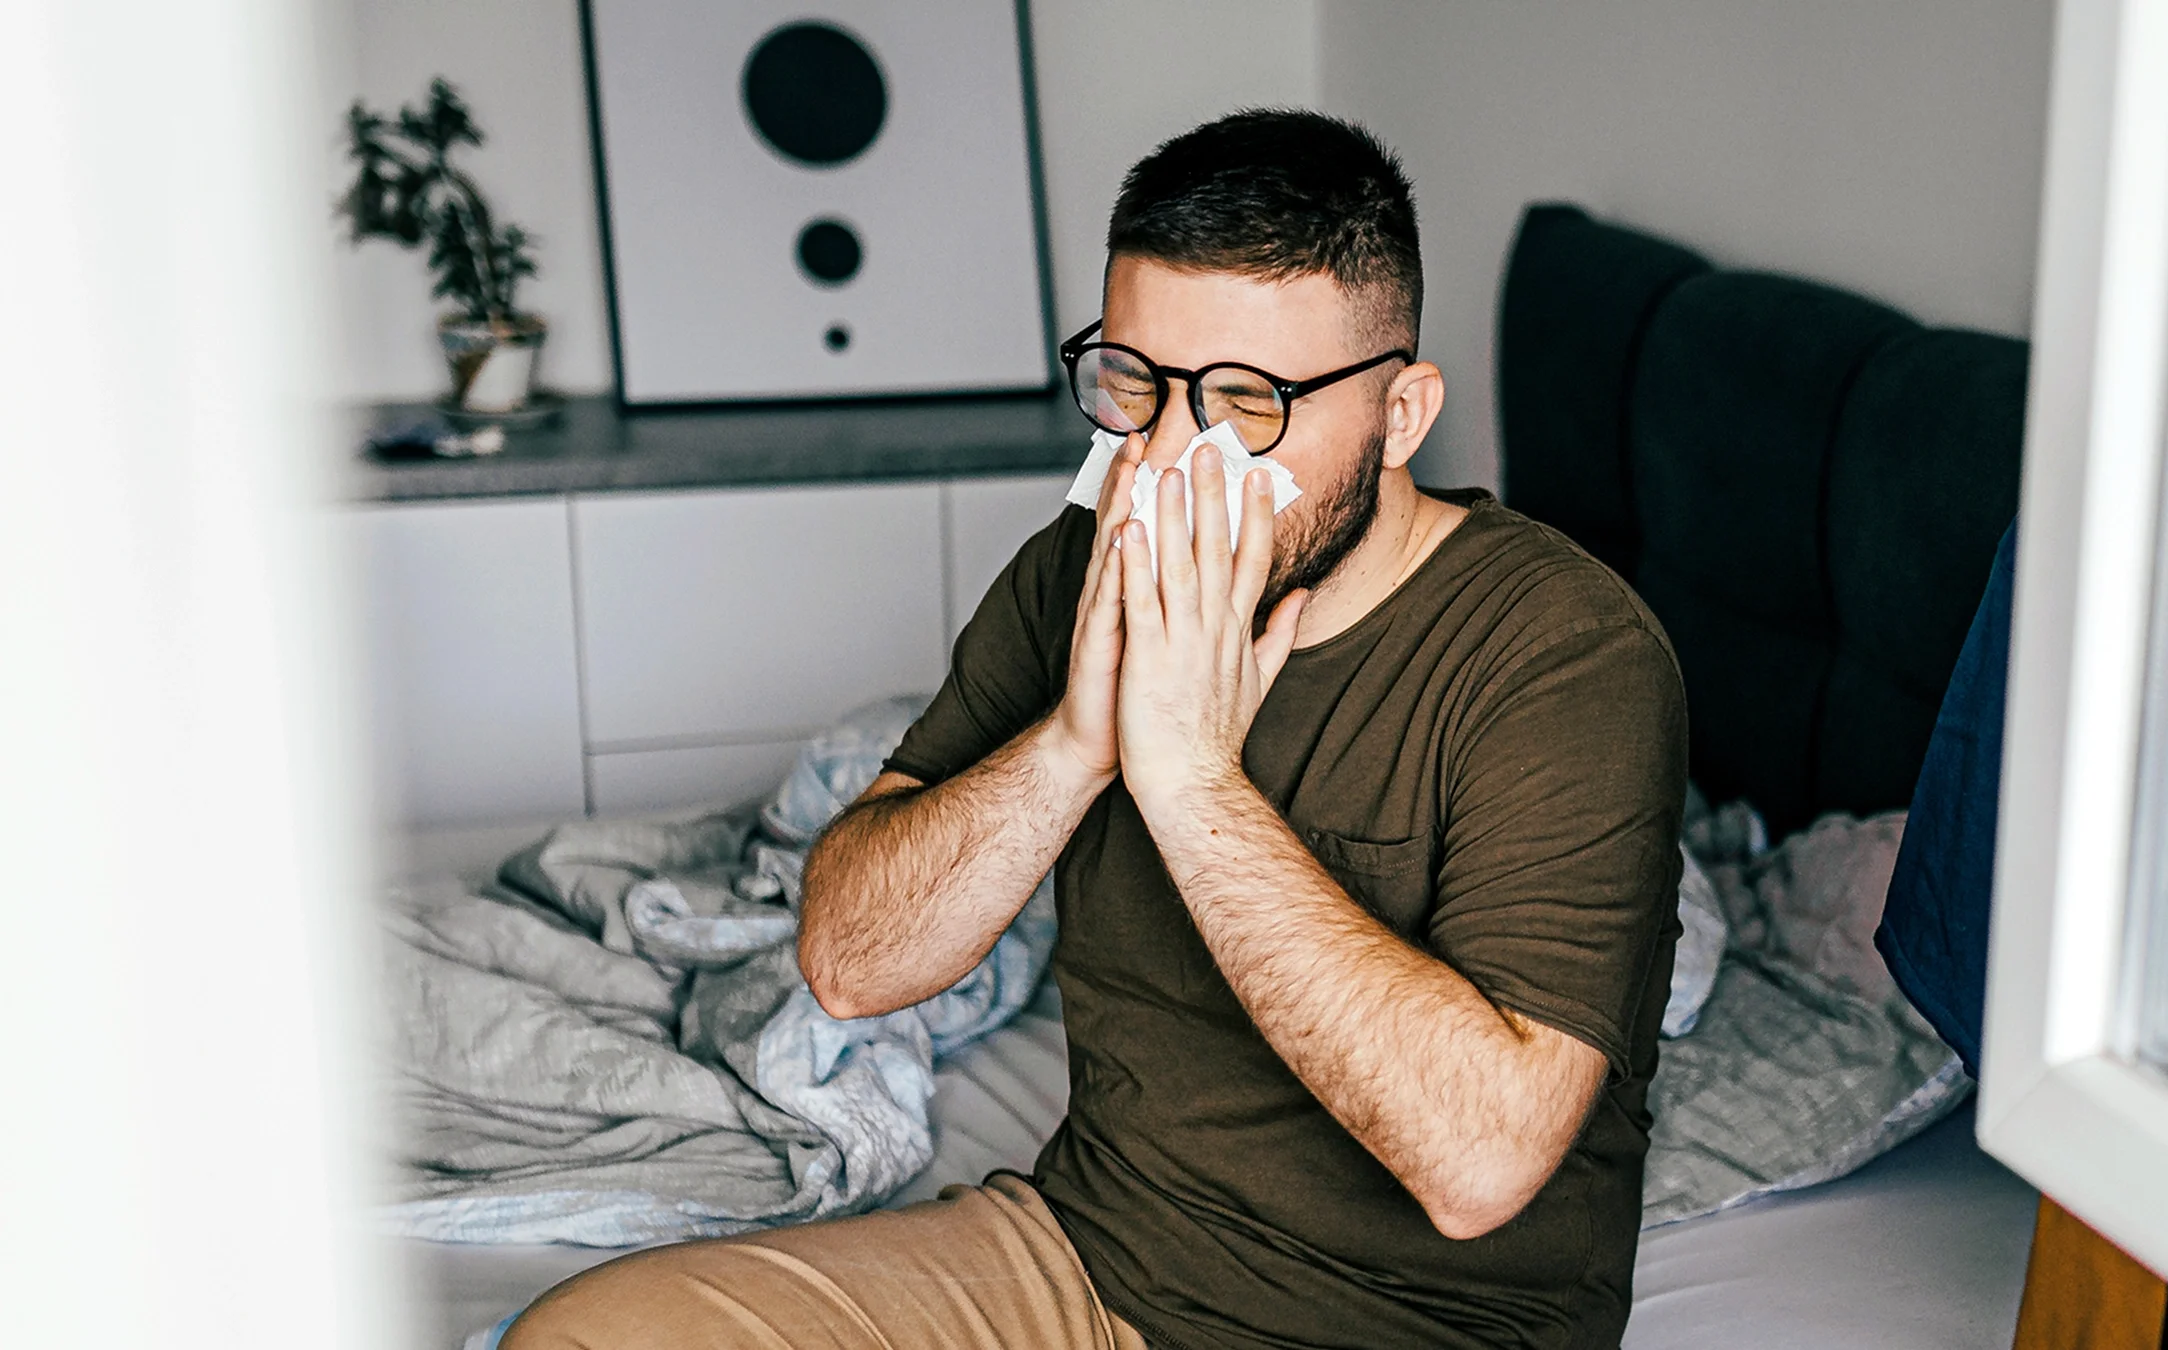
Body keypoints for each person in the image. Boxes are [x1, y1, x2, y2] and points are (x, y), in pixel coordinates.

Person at [505, 108, 1687, 1350]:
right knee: (586, 1337)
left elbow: (1481, 1165)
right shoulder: (1083, 565)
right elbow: (853, 963)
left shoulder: (1564, 650)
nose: (1172, 453)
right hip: (1091, 1256)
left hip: (1423, 1327)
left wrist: (1188, 773)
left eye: (1247, 401)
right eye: (1137, 383)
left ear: (1403, 414)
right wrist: (1078, 738)